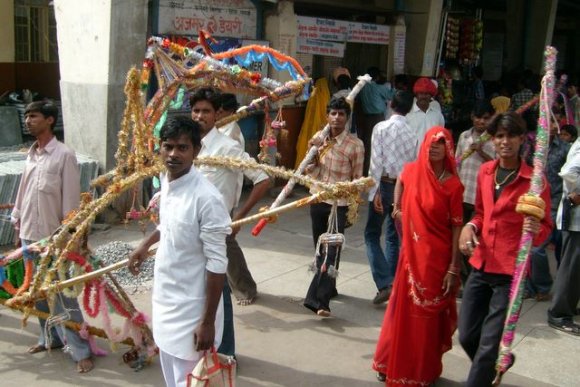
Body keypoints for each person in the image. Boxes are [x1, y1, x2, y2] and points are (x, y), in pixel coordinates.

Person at [128, 116, 231, 387]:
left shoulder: (207, 198)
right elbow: (169, 224)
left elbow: (218, 263)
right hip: (165, 301)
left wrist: (207, 322)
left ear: (196, 151)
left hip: (192, 311)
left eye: (182, 148)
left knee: (193, 381)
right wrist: (145, 245)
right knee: (172, 379)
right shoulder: (167, 181)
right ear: (160, 148)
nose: (173, 154)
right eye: (168, 146)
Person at [458, 112, 552, 386]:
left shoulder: (534, 181)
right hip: (481, 263)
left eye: (511, 135)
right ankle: (499, 362)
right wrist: (469, 228)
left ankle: (481, 375)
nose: (505, 141)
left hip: (511, 271)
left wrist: (537, 231)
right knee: (466, 335)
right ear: (493, 140)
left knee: (488, 344)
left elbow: (545, 226)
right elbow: (479, 213)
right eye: (499, 136)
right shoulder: (486, 172)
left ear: (522, 139)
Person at [373, 126, 464, 385]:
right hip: (411, 257)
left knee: (426, 319)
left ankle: (422, 370)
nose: (435, 146)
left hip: (437, 260)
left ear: (448, 148)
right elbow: (401, 178)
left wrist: (453, 268)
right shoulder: (413, 171)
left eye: (441, 142)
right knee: (402, 313)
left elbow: (457, 226)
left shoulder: (454, 185)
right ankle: (391, 362)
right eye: (431, 141)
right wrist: (398, 207)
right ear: (424, 143)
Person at [10, 101, 93, 373]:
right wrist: (17, 223)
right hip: (28, 236)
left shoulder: (64, 155)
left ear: (49, 120)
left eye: (33, 116)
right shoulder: (31, 154)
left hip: (52, 240)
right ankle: (50, 338)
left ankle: (82, 351)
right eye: (27, 116)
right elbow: (23, 192)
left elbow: (70, 201)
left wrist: (67, 237)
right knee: (37, 294)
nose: (28, 120)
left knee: (63, 294)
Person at [189, 87, 271, 358]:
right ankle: (198, 349)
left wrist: (240, 218)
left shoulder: (227, 147)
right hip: (189, 233)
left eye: (206, 111)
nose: (200, 116)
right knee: (194, 291)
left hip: (216, 232)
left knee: (219, 293)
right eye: (196, 110)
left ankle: (226, 353)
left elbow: (262, 179)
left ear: (217, 115)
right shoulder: (188, 145)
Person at [303, 96, 364, 317]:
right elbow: (310, 171)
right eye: (333, 113)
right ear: (327, 116)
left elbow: (357, 178)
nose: (337, 118)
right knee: (320, 250)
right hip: (318, 199)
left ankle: (319, 301)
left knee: (332, 251)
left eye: (341, 114)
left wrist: (353, 206)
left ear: (347, 118)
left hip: (339, 204)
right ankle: (331, 287)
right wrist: (313, 153)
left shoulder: (355, 145)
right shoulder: (319, 140)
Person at [364, 90, 415, 305]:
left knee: (372, 234)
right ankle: (393, 284)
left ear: (391, 104)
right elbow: (412, 166)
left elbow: (376, 161)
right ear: (410, 108)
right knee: (394, 235)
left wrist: (373, 189)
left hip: (383, 184)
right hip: (403, 187)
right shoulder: (412, 134)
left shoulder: (381, 127)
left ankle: (385, 282)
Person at [526, 116, 570, 299]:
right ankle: (532, 288)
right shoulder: (532, 147)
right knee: (530, 245)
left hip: (557, 202)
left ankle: (548, 288)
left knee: (548, 247)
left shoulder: (565, 149)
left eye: (554, 122)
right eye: (546, 122)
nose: (550, 126)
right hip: (535, 201)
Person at [455, 101, 496, 287]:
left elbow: (498, 166)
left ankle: (476, 278)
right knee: (460, 240)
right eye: (478, 117)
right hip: (463, 195)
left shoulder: (495, 139)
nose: (481, 121)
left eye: (486, 118)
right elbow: (457, 163)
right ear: (472, 117)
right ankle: (464, 279)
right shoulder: (464, 137)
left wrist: (481, 152)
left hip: (481, 199)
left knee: (477, 241)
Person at [547, 136, 580, 335]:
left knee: (575, 270)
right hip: (575, 219)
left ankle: (567, 306)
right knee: (570, 268)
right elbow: (568, 171)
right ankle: (558, 313)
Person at [358, 67, 389, 174]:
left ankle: (364, 171)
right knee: (378, 146)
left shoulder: (362, 87)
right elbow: (391, 96)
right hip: (378, 118)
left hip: (366, 118)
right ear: (377, 77)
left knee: (367, 145)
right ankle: (374, 173)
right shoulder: (379, 88)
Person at [406, 77, 445, 155]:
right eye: (421, 93)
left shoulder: (437, 115)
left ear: (431, 96)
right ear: (416, 95)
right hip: (412, 159)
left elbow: (440, 137)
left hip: (430, 158)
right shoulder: (407, 114)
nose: (423, 96)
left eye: (427, 94)